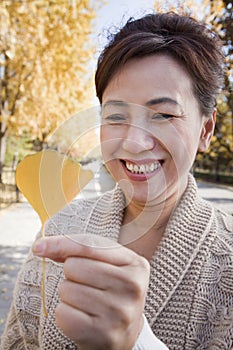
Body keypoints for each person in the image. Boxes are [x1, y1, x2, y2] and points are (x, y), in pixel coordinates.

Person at [1, 11, 233, 350]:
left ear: (206, 129)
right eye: (116, 117)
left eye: (164, 115)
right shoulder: (60, 228)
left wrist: (137, 342)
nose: (135, 142)